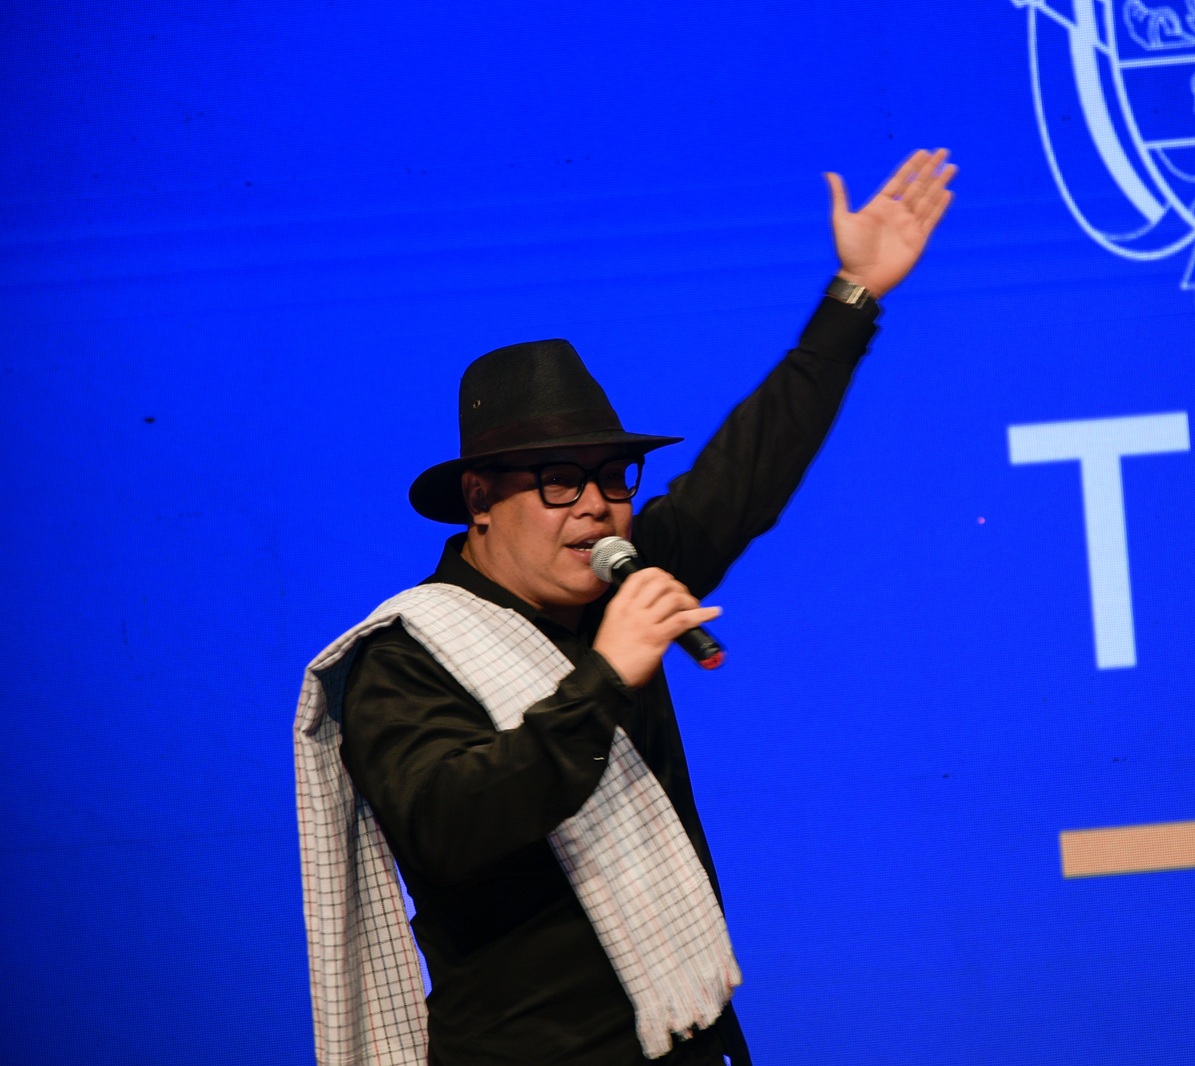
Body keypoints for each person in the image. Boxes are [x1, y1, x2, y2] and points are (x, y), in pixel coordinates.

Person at [293, 149, 956, 1066]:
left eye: (613, 477)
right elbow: (450, 825)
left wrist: (854, 294)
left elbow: (748, 471)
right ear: (480, 498)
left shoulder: (626, 579)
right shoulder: (407, 653)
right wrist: (605, 677)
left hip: (685, 1040)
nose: (597, 507)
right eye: (560, 481)